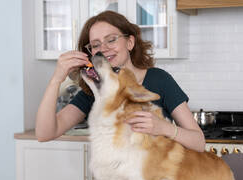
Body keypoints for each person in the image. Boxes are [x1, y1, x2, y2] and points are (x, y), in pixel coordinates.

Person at [36, 11, 206, 152]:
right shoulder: (95, 90)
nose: (103, 49)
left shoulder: (159, 80)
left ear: (130, 42)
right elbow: (44, 133)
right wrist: (56, 79)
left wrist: (164, 128)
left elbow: (199, 142)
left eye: (111, 40)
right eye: (95, 45)